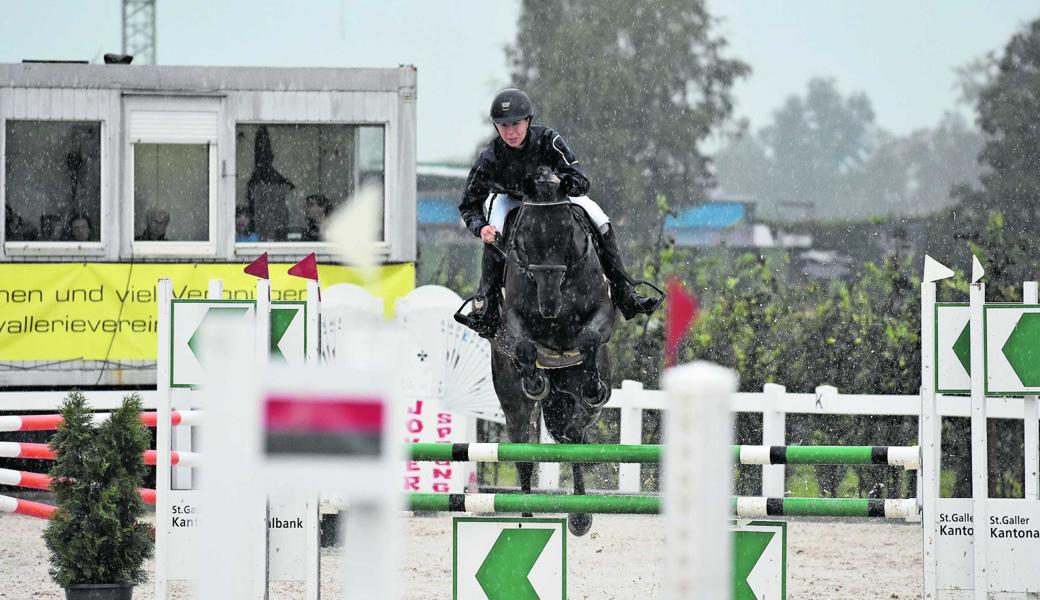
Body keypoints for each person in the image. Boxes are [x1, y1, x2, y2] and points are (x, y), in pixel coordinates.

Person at [454, 88, 662, 338]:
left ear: (528, 121)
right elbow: (469, 203)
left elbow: (581, 180)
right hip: (512, 201)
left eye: (516, 124)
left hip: (555, 196)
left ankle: (624, 291)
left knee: (601, 220)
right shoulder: (490, 157)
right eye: (503, 126)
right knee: (494, 233)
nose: (510, 132)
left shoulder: (548, 140)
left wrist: (559, 182)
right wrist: (481, 227)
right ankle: (486, 305)